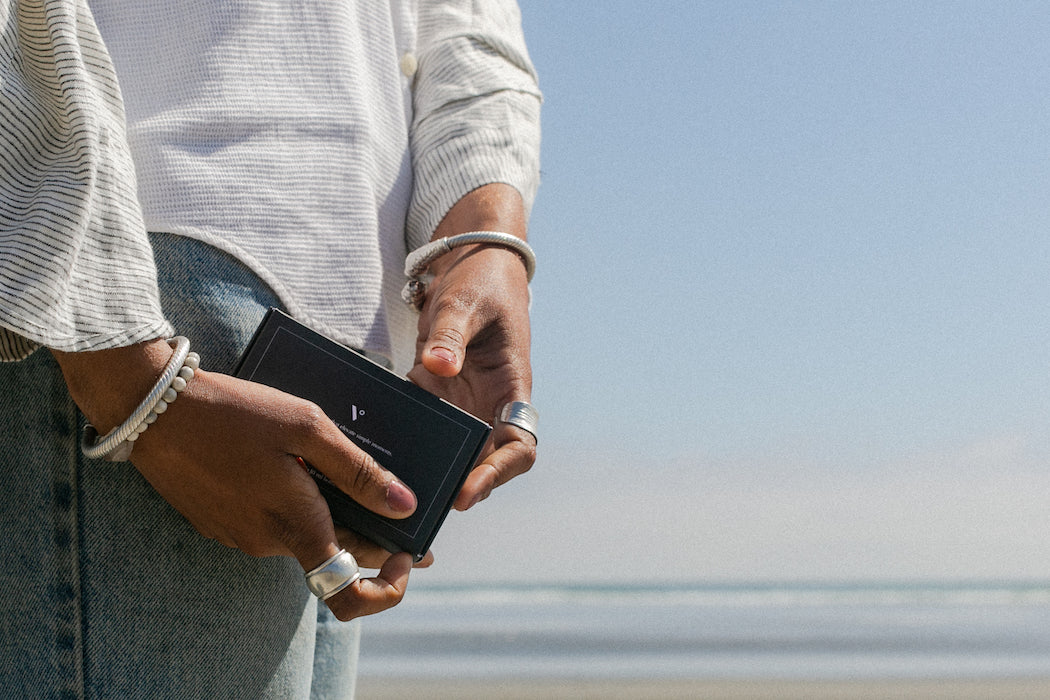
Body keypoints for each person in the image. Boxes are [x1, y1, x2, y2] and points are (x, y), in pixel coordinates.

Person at [0, 0, 541, 696]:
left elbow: (468, 22)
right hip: (131, 292)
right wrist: (124, 373)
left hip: (349, 340)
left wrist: (484, 234)